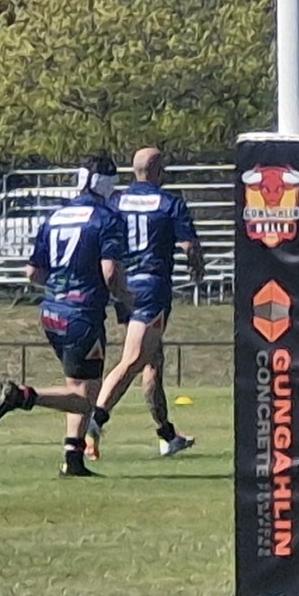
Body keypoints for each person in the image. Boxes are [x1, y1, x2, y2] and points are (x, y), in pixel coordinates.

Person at [0, 156, 134, 477]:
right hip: (82, 313)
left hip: (52, 310)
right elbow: (111, 273)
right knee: (86, 399)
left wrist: (61, 287)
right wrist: (126, 298)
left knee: (76, 387)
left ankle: (73, 458)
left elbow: (33, 272)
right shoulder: (107, 218)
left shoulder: (55, 216)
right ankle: (23, 396)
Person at [85, 147, 204, 460]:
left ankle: (167, 435)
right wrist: (197, 267)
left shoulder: (116, 202)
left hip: (123, 286)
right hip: (151, 287)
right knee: (134, 359)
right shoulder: (169, 203)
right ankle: (94, 420)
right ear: (159, 170)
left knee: (153, 359)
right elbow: (189, 245)